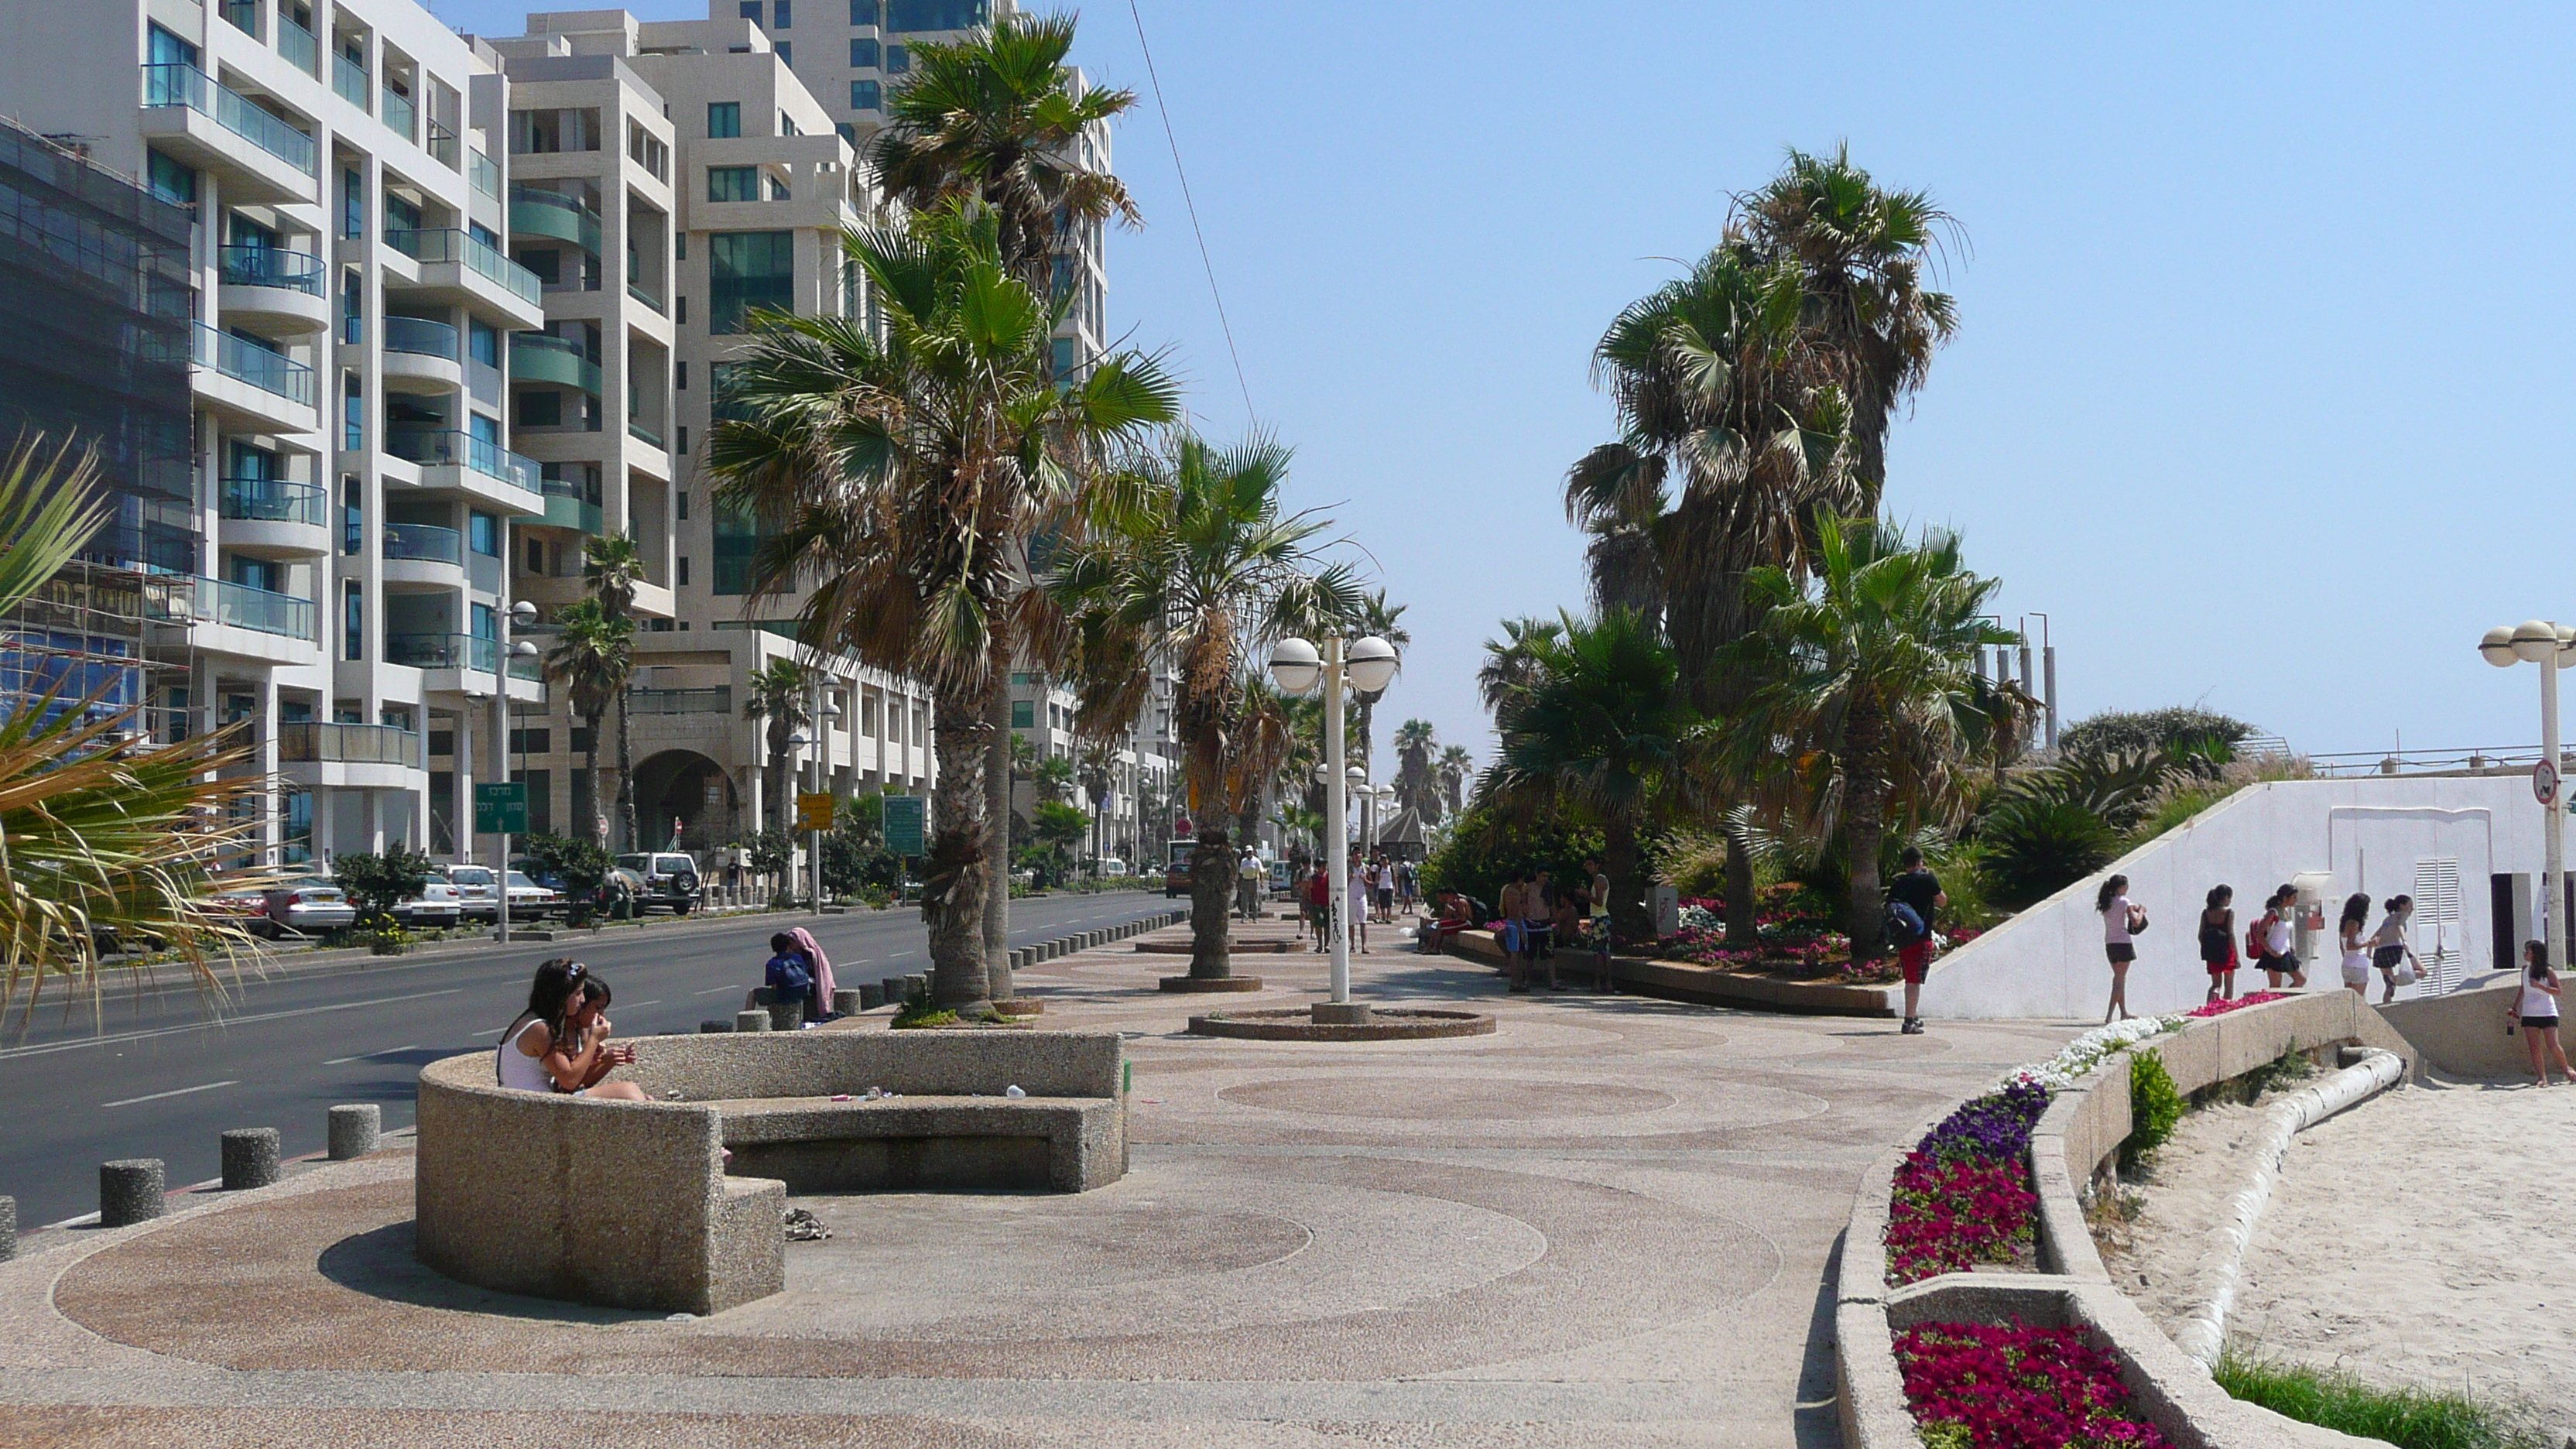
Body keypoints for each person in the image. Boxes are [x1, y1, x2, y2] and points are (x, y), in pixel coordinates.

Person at [495, 958, 648, 1099]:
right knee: (628, 1091)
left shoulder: (536, 1021)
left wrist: (604, 1060)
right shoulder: (539, 1029)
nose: (582, 1000)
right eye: (578, 993)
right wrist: (594, 1039)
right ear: (560, 996)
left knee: (640, 1098)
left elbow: (571, 1082)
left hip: (534, 1102)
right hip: (533, 1107)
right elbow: (569, 1080)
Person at [1887, 846, 1946, 1034]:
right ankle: (1909, 1021)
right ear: (1920, 862)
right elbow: (1943, 900)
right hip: (1921, 937)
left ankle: (1913, 1015)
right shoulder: (1928, 879)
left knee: (1910, 977)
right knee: (1914, 981)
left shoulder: (1898, 884)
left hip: (1903, 938)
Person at [2513, 940, 2572, 1085]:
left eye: (2528, 951)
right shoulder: (2525, 969)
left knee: (2553, 1044)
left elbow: (2558, 991)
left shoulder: (2547, 971)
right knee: (2534, 1046)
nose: (2525, 954)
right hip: (2529, 1012)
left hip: (2547, 1011)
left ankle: (2567, 1071)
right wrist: (2515, 1007)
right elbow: (2523, 988)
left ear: (2535, 954)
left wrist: (2540, 986)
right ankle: (2542, 1077)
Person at [2097, 874, 2144, 1023]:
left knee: (2119, 978)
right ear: (2122, 887)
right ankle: (2109, 1015)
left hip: (2110, 943)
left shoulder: (2106, 902)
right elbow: (2136, 922)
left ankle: (2123, 1012)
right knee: (2119, 979)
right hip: (2123, 943)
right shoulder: (2124, 901)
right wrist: (2141, 911)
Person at [2369, 896, 2420, 1004]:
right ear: (2402, 906)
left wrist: (2369, 951)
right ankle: (2393, 979)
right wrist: (2405, 941)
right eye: (2410, 906)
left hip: (2380, 952)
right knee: (2423, 971)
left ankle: (2387, 1006)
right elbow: (2400, 926)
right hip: (2394, 948)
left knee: (2389, 987)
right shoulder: (2403, 914)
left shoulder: (2387, 919)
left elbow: (2375, 936)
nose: (2412, 909)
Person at [2258, 886, 2305, 989]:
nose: (2295, 900)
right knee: (2275, 986)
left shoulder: (2286, 912)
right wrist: (2271, 951)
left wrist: (2290, 946)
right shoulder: (2273, 913)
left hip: (2286, 952)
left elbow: (2283, 932)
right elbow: (2259, 933)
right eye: (2294, 897)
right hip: (2274, 953)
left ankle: (2286, 999)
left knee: (2301, 979)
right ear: (2285, 898)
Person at [767, 931, 820, 1021]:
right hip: (803, 991)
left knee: (753, 994)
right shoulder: (797, 958)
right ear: (788, 945)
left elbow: (774, 986)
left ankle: (767, 1020)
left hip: (785, 995)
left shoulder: (772, 963)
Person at [2199, 885, 2238, 1005]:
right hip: (2226, 951)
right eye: (2229, 898)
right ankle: (2225, 1008)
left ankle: (2210, 1006)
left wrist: (2208, 948)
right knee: (2229, 985)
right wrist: (2236, 955)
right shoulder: (2229, 913)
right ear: (2225, 897)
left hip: (2212, 953)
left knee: (2216, 984)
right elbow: (2231, 934)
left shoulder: (2206, 913)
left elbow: (2200, 935)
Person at [1583, 856, 1615, 993]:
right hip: (1599, 918)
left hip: (1599, 918)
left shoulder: (1599, 880)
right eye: (1587, 865)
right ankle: (1606, 983)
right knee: (1603, 951)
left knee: (1599, 952)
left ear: (1597, 865)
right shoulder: (1597, 880)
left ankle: (1600, 983)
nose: (1588, 867)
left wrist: (1586, 895)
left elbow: (1599, 902)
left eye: (1591, 864)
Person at [2336, 892, 2373, 999]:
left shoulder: (2344, 923)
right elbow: (2350, 945)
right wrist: (2369, 943)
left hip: (2347, 964)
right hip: (2358, 964)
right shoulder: (2354, 924)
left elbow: (2342, 946)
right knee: (2358, 999)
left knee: (2349, 999)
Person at [1302, 863, 1331, 951]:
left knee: (1328, 926)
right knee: (1318, 925)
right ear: (1318, 868)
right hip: (1317, 905)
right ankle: (1320, 945)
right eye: (1323, 866)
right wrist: (1304, 903)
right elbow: (1307, 891)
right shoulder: (1313, 878)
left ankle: (1326, 945)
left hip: (1328, 905)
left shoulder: (1329, 877)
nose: (1325, 868)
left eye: (1325, 866)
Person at [1236, 847, 1264, 921]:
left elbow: (1261, 872)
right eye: (1248, 852)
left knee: (1254, 901)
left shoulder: (1256, 861)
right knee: (1244, 901)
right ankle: (1245, 917)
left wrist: (1262, 883)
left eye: (1250, 852)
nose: (1249, 853)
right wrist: (1239, 883)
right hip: (1245, 881)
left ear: (1253, 852)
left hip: (1254, 882)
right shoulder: (1243, 861)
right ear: (1246, 853)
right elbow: (1241, 873)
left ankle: (1255, 917)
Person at [1373, 855, 1396, 924]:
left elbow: (1394, 878)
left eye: (1385, 860)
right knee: (1382, 904)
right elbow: (1377, 879)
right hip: (1381, 888)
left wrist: (1396, 888)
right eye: (1383, 860)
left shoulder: (1391, 868)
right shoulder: (1380, 869)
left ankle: (1388, 918)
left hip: (1389, 887)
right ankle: (1383, 917)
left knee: (1389, 904)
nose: (1384, 862)